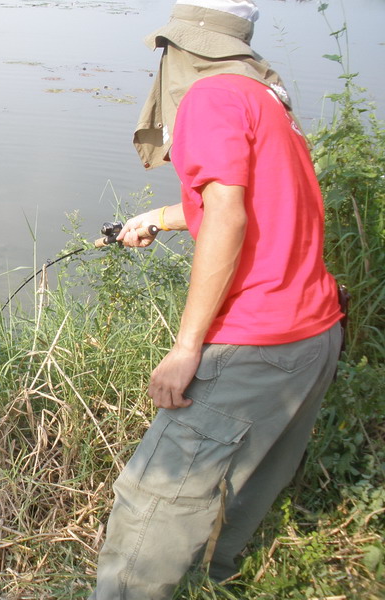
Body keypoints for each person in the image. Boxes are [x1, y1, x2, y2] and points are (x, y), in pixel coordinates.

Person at [91, 1, 344, 598]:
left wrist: (186, 347)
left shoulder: (207, 97)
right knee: (245, 484)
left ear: (182, 46)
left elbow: (228, 214)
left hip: (256, 341)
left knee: (154, 497)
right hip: (315, 334)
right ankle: (215, 583)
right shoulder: (265, 97)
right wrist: (158, 216)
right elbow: (255, 201)